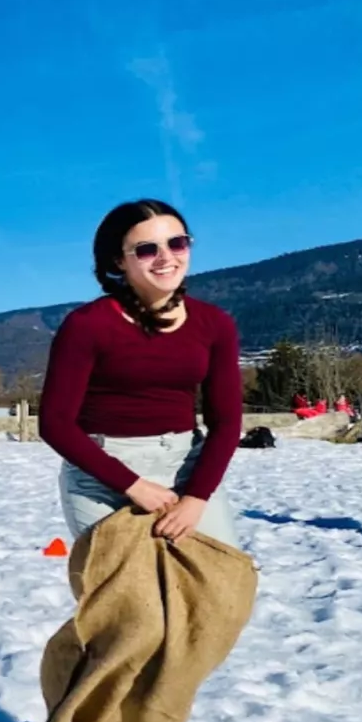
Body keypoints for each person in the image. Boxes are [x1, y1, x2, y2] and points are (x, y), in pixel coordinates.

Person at [37, 198, 243, 549]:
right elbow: (55, 423)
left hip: (186, 468)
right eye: (147, 249)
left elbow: (226, 421)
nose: (167, 258)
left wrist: (196, 497)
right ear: (119, 261)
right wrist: (133, 486)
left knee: (217, 591)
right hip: (103, 477)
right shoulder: (88, 326)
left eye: (177, 243)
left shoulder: (215, 324)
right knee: (128, 598)